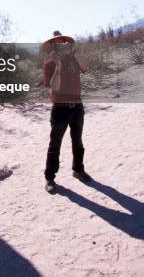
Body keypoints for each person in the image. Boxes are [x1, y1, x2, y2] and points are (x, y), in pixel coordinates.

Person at [42, 30, 91, 194]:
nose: (62, 45)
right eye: (58, 43)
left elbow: (86, 67)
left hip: (77, 106)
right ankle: (50, 178)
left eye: (64, 42)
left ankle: (78, 170)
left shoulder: (74, 58)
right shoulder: (49, 64)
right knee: (55, 145)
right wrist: (59, 66)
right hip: (60, 109)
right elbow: (54, 87)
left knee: (78, 142)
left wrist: (75, 53)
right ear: (53, 47)